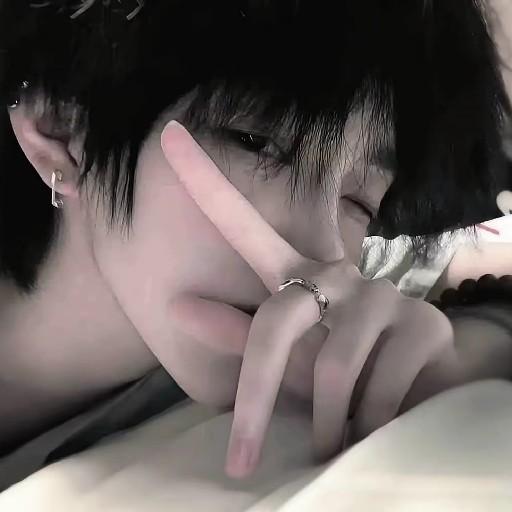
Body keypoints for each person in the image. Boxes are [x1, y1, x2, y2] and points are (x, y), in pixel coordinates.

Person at [0, 0, 511, 488]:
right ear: (60, 127)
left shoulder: (335, 298)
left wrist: (473, 354)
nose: (325, 251)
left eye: (361, 201)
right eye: (254, 143)